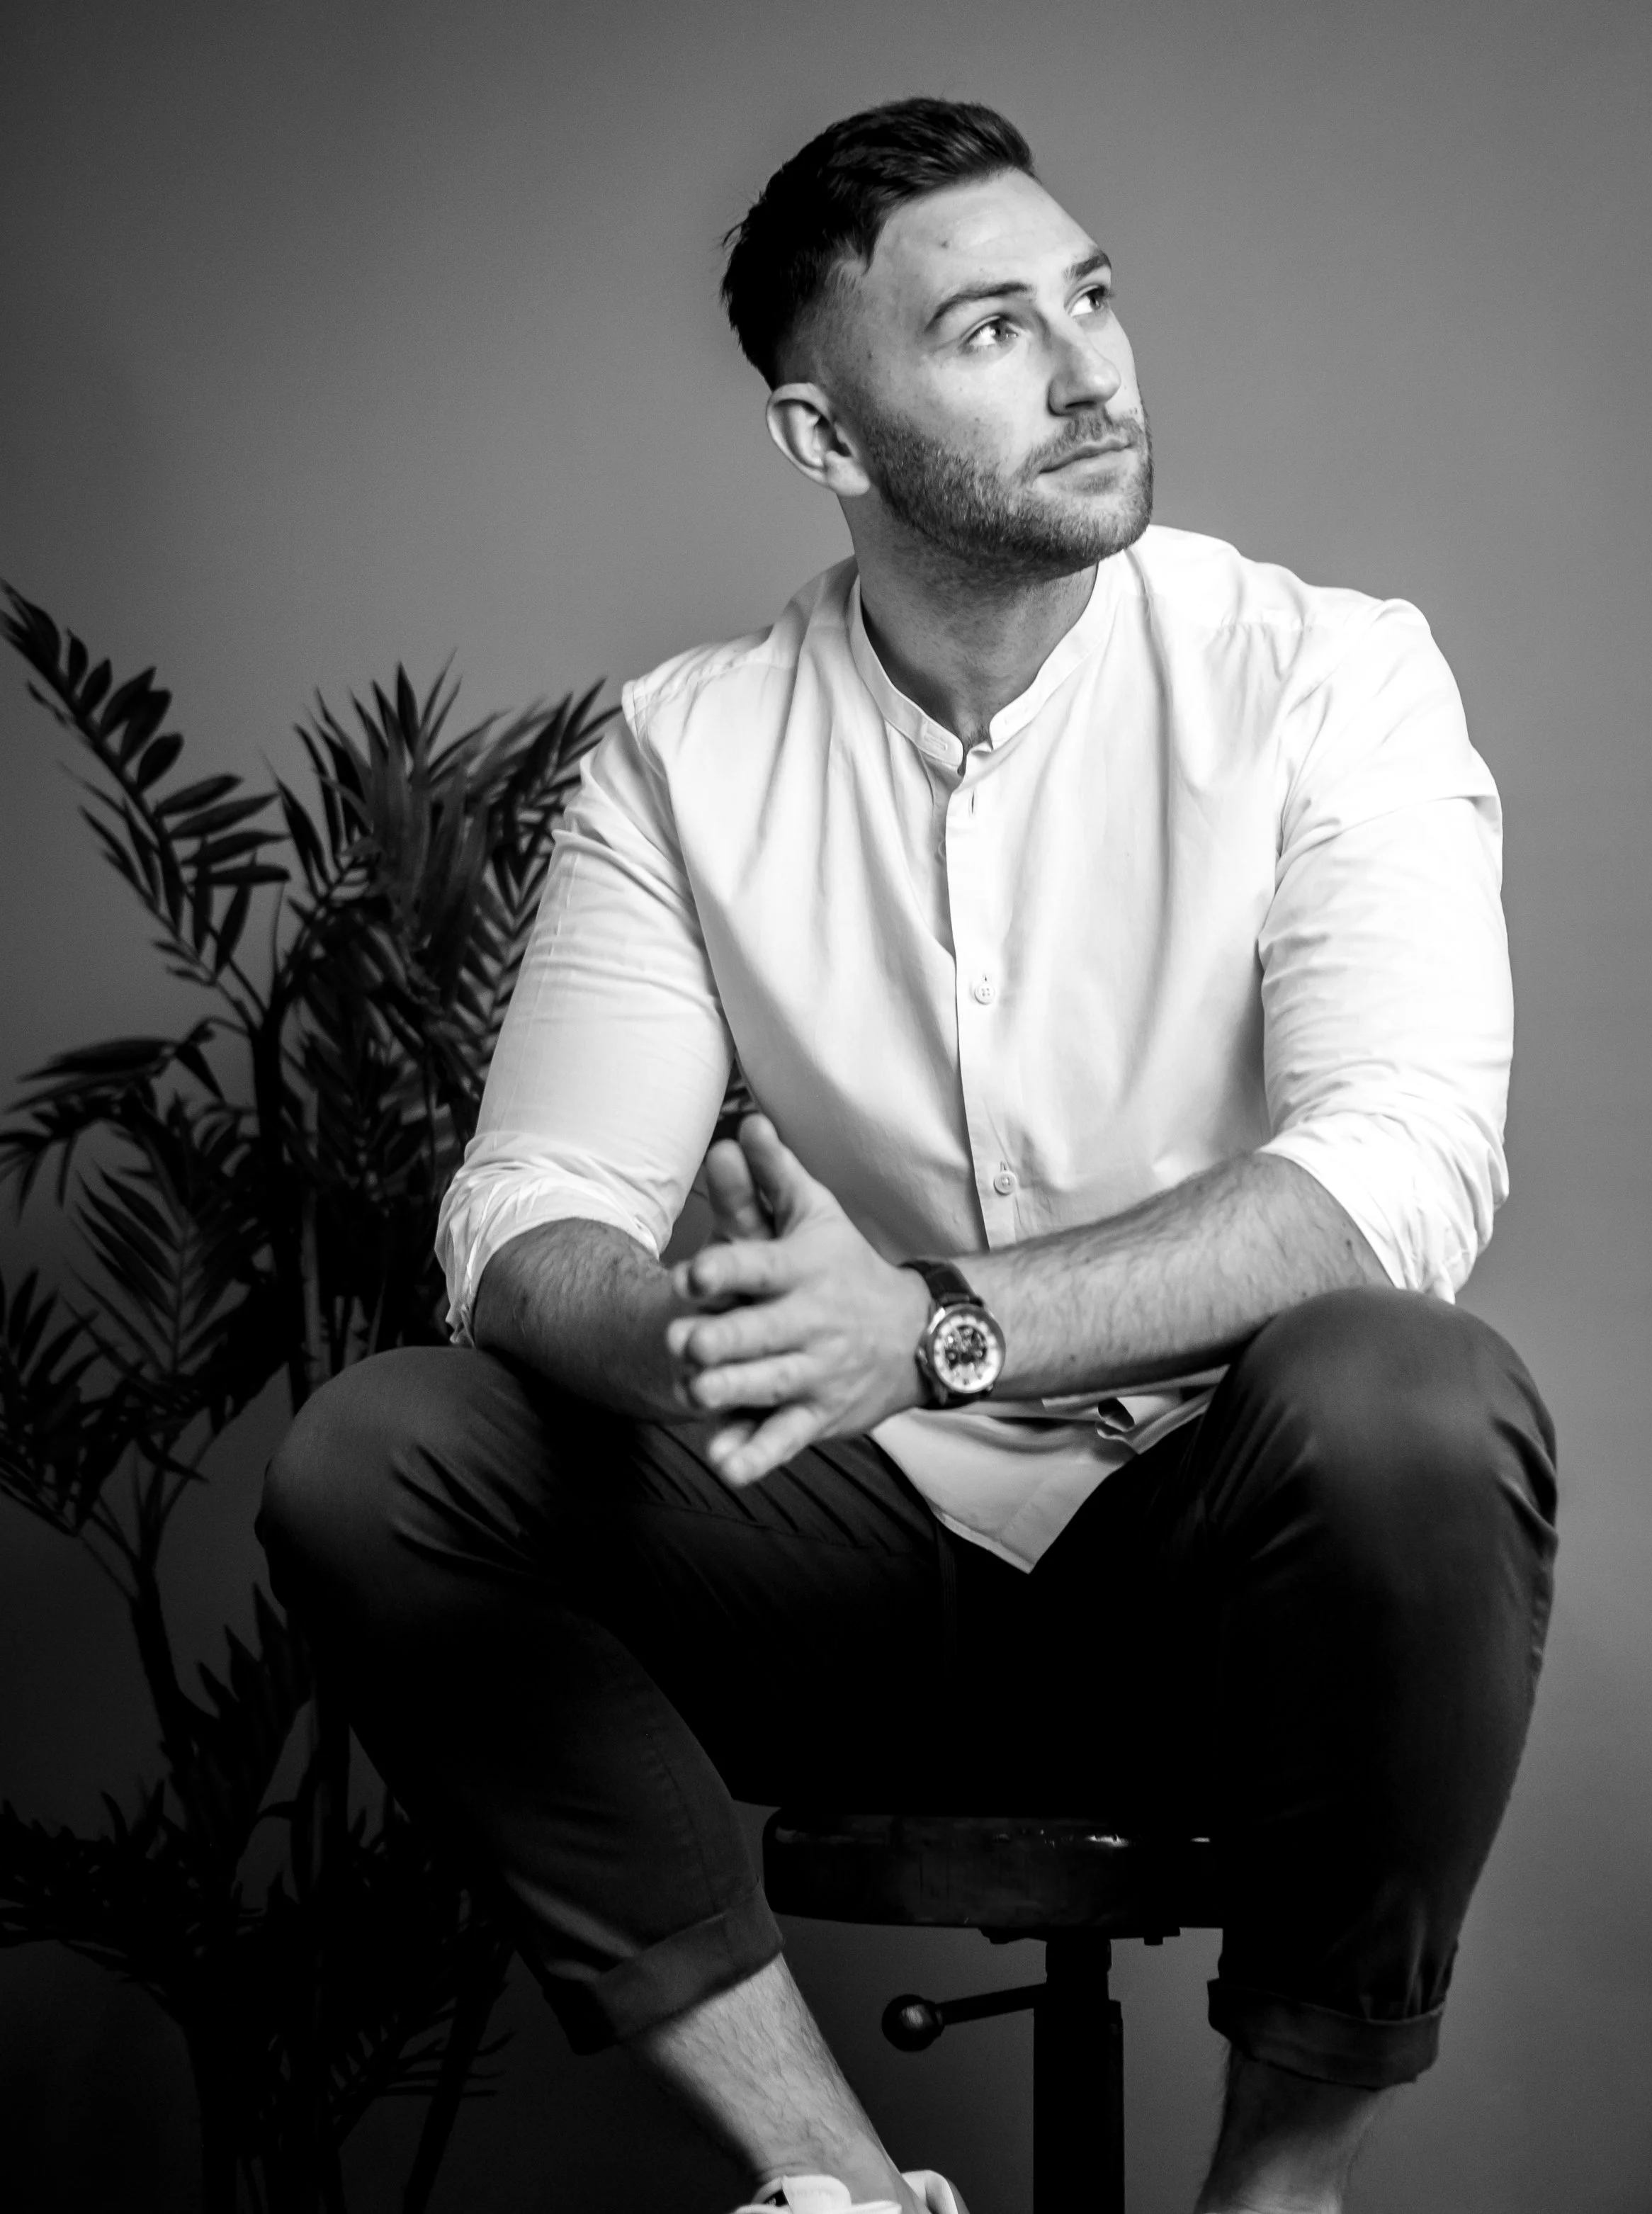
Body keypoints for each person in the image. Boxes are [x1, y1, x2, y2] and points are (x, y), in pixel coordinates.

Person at [259, 96, 1558, 2214]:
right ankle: (837, 2187)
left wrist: (930, 1333)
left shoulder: (1329, 678)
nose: (1088, 369)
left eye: (1095, 297)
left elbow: (1399, 1160)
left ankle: (1278, 2191)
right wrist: (729, 1353)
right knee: (376, 1454)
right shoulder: (685, 756)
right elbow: (519, 1217)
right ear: (822, 437)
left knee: (1411, 1391)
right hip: (838, 1568)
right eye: (987, 329)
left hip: (1217, 1569)